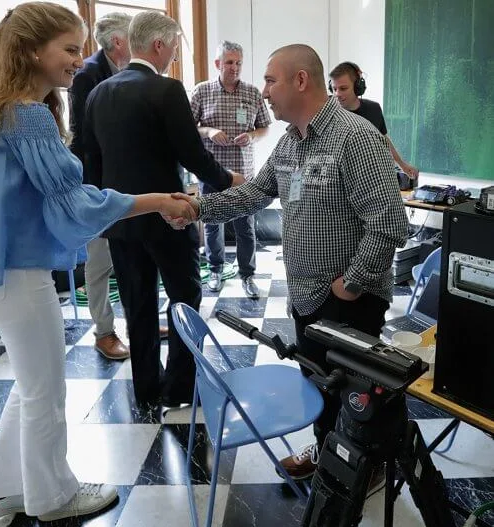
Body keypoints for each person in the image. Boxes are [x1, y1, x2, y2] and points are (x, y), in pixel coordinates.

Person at [0, 2, 195, 523]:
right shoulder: (28, 116)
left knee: (29, 385)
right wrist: (157, 199)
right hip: (18, 279)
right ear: (33, 51)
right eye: (69, 48)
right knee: (46, 394)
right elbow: (76, 203)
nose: (80, 60)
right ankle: (52, 497)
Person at [165, 44, 408, 488]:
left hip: (348, 300)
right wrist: (197, 209)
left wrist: (351, 285)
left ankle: (367, 467)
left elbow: (390, 224)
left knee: (358, 395)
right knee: (320, 385)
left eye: (271, 80)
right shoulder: (289, 142)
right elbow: (253, 195)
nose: (264, 91)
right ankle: (328, 450)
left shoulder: (355, 138)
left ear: (301, 81)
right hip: (307, 296)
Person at [83, 10, 244, 406]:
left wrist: (105, 216)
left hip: (121, 220)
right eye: (173, 46)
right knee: (184, 298)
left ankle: (146, 389)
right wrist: (231, 182)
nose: (174, 54)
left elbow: (92, 165)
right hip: (168, 219)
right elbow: (193, 156)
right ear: (158, 45)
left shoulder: (97, 93)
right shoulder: (167, 90)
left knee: (137, 306)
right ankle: (179, 389)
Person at [69, 12, 136, 360]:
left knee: (131, 258)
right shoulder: (86, 76)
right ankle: (104, 332)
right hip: (95, 187)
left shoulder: (127, 70)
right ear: (118, 42)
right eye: (133, 35)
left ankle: (138, 321)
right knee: (98, 266)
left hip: (124, 185)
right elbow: (83, 138)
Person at [191, 41, 271, 298]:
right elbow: (190, 128)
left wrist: (253, 137)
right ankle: (215, 270)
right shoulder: (202, 91)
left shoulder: (252, 93)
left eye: (238, 63)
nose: (234, 67)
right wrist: (209, 131)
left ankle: (247, 275)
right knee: (212, 224)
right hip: (212, 171)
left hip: (242, 172)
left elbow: (264, 127)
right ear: (218, 64)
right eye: (229, 62)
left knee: (245, 226)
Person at [329, 61, 419, 179]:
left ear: (358, 87)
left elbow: (384, 140)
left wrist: (402, 164)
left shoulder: (373, 109)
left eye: (343, 88)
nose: (337, 94)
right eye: (334, 89)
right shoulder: (328, 113)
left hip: (369, 177)